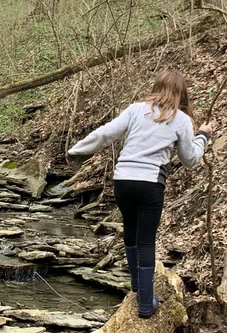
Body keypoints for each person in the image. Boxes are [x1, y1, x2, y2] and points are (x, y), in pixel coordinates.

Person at [67, 70, 212, 318]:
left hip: (122, 180)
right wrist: (204, 136)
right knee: (146, 240)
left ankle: (137, 287)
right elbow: (190, 159)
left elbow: (106, 133)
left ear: (156, 87)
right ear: (182, 93)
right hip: (149, 184)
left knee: (131, 231)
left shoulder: (136, 109)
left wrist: (75, 150)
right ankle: (146, 303)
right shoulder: (182, 120)